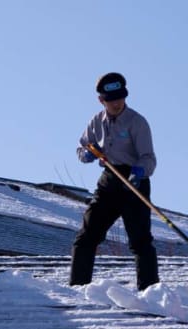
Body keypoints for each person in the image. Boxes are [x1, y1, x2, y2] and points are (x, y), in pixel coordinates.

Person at [69, 72, 159, 291]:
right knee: (86, 237)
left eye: (120, 98)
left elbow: (149, 158)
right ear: (102, 100)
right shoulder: (96, 121)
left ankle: (150, 292)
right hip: (109, 180)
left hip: (134, 180)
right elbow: (82, 148)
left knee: (140, 241)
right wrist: (87, 155)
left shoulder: (137, 122)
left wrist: (139, 171)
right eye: (111, 100)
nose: (117, 103)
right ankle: (79, 288)